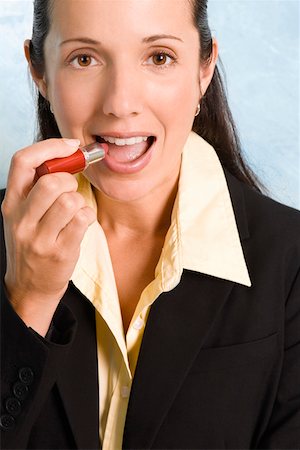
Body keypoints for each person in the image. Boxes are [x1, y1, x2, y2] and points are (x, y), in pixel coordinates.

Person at [0, 0, 299, 449]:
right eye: (85, 59)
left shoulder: (290, 257)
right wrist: (28, 301)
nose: (121, 104)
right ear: (39, 71)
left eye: (159, 57)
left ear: (204, 69)